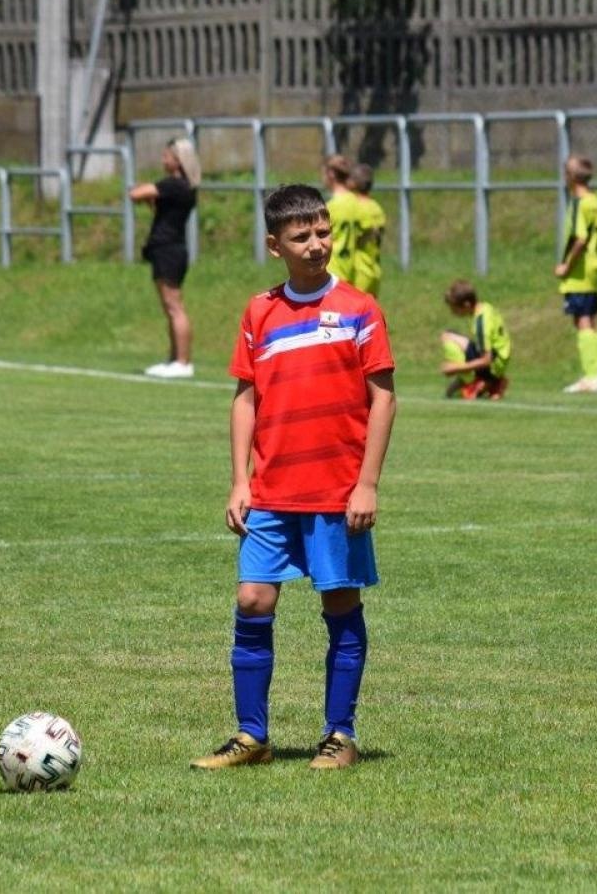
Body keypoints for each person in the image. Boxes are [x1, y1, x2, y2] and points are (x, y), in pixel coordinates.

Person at [193, 184, 397, 772]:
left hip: (336, 491)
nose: (316, 245)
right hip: (273, 490)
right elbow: (245, 398)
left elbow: (382, 401)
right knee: (252, 599)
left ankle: (340, 734)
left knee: (339, 603)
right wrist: (239, 480)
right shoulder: (261, 312)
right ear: (274, 245)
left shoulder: (360, 309)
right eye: (301, 236)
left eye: (323, 232)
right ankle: (251, 735)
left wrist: (368, 484)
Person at [130, 138, 201, 378]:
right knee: (171, 307)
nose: (163, 160)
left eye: (166, 156)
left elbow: (136, 193)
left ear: (178, 159)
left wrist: (141, 189)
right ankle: (175, 360)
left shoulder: (175, 184)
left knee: (174, 307)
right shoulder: (184, 187)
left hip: (168, 249)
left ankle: (182, 362)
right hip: (172, 248)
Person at [555, 155, 597, 394]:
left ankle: (590, 376)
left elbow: (580, 238)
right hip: (593, 267)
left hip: (580, 270)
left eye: (566, 172)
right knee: (591, 318)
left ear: (572, 177)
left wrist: (566, 264)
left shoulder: (579, 203)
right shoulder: (594, 200)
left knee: (582, 319)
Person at [440, 279, 511, 400]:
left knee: (447, 338)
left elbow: (486, 360)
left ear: (466, 305)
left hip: (492, 365)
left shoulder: (481, 323)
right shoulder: (486, 308)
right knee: (450, 335)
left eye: (454, 308)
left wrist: (455, 368)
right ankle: (492, 381)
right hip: (500, 360)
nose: (453, 312)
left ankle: (480, 381)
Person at [349, 162, 386, 296]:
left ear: (352, 183)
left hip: (358, 270)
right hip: (374, 269)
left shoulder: (355, 208)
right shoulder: (376, 207)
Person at [323, 154, 361, 285]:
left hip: (332, 270)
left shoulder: (329, 207)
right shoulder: (357, 202)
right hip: (352, 270)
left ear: (331, 174)